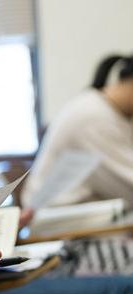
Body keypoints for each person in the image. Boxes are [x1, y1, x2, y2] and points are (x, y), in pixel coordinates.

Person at [22, 54, 133, 207]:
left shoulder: (104, 109)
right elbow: (128, 186)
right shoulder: (94, 117)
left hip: (77, 213)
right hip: (59, 218)